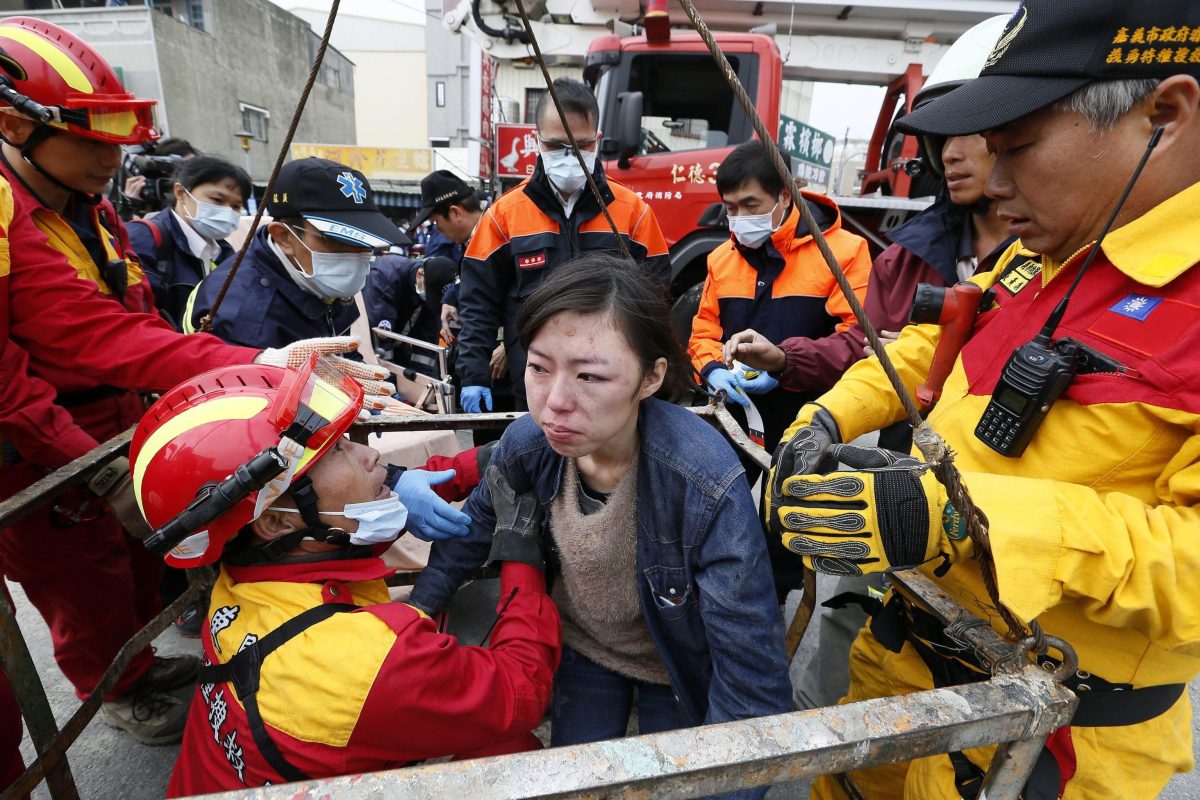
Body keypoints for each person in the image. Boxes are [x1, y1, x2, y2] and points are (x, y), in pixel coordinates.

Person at [768, 1, 1200, 797]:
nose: (994, 183)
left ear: (1164, 116)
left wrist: (969, 517)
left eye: (1018, 148)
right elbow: (930, 343)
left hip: (1045, 737)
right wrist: (827, 414)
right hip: (903, 662)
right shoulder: (1049, 255)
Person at [0, 16, 393, 747]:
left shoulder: (87, 208)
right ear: (16, 126)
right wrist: (257, 364)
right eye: (91, 140)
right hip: (38, 444)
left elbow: (134, 321)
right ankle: (118, 690)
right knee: (82, 586)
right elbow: (68, 349)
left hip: (121, 415)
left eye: (116, 141)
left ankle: (138, 667)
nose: (110, 157)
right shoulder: (8, 213)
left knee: (131, 572)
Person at [412, 254, 791, 798]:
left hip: (673, 662)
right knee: (578, 782)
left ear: (651, 377)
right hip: (583, 644)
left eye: (590, 375)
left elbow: (752, 688)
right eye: (539, 367)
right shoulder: (529, 444)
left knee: (672, 784)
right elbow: (473, 528)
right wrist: (414, 616)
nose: (554, 404)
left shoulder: (703, 482)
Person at [728, 16, 1014, 710]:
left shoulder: (1070, 271)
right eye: (943, 135)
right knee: (851, 624)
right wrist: (806, 391)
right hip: (891, 481)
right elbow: (877, 351)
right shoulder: (905, 257)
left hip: (1008, 530)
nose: (954, 152)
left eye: (981, 130)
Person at [127, 357, 560, 794]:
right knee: (513, 750)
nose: (370, 453)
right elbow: (522, 688)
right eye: (336, 451)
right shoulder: (363, 664)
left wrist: (480, 463)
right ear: (275, 521)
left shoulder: (246, 571)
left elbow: (348, 521)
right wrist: (520, 546)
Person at [686, 140, 871, 599]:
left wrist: (785, 362)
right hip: (735, 412)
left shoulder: (844, 253)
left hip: (809, 419)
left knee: (787, 528)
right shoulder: (721, 259)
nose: (738, 218)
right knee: (707, 511)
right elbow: (703, 330)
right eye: (730, 208)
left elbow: (858, 341)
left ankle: (776, 606)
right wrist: (713, 371)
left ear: (785, 196)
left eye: (751, 205)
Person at [456, 78, 670, 413]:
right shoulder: (503, 216)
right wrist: (473, 374)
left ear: (597, 139)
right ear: (536, 139)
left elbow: (656, 301)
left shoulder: (634, 214)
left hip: (608, 391)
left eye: (582, 145)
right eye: (557, 146)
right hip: (536, 389)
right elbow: (478, 304)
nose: (570, 156)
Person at [190, 157, 408, 345]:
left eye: (366, 241)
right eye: (337, 241)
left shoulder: (314, 277)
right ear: (284, 237)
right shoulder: (243, 321)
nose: (356, 255)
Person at [127, 155, 251, 331]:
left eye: (235, 206)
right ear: (181, 193)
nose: (227, 212)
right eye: (217, 200)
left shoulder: (224, 253)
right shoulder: (144, 239)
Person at [364, 251, 457, 375]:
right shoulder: (386, 275)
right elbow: (380, 336)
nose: (430, 299)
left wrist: (422, 380)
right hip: (369, 342)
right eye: (430, 294)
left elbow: (427, 341)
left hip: (399, 342)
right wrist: (387, 377)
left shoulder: (432, 288)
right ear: (420, 273)